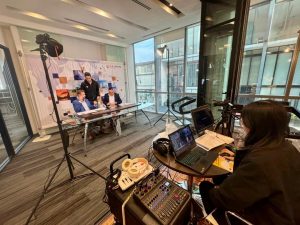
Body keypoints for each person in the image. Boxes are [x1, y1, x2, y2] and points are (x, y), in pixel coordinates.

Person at [200, 100, 300, 225]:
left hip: (266, 218)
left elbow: (224, 199)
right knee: (220, 179)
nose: (242, 125)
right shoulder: (288, 147)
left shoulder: (259, 161)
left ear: (257, 126)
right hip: (288, 212)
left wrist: (216, 189)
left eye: (244, 122)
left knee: (205, 187)